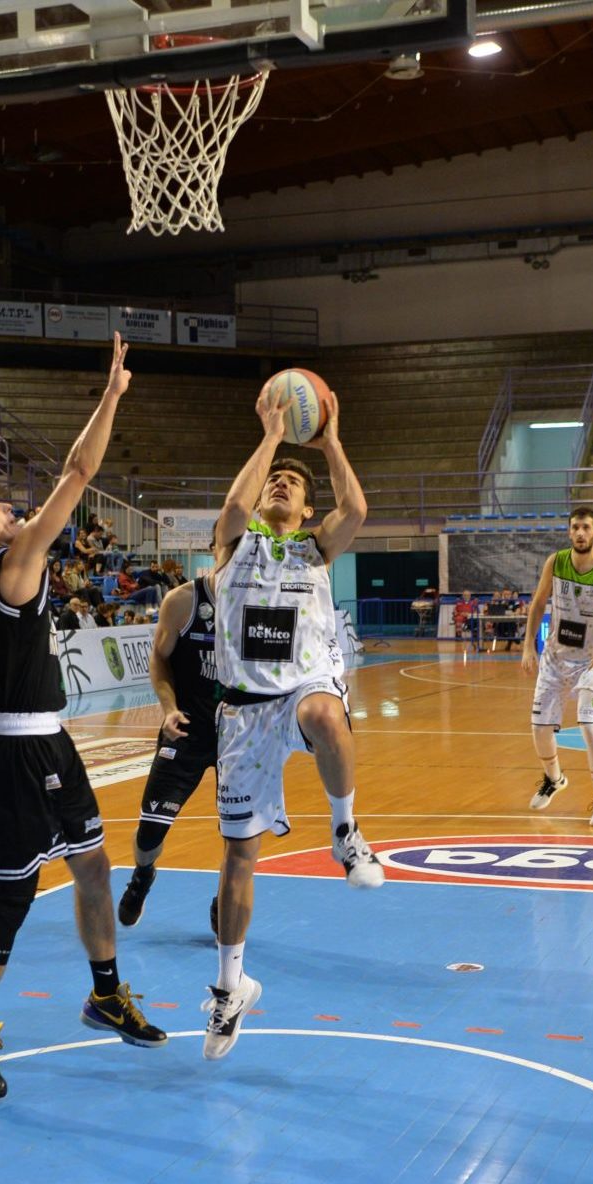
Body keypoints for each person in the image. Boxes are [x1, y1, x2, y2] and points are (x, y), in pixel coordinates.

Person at [0, 334, 162, 1100]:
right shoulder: (9, 569)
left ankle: (104, 992)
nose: (6, 506)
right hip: (20, 753)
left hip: (47, 741)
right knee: (16, 892)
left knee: (92, 866)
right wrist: (114, 394)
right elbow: (80, 472)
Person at [204, 381, 381, 1062]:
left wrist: (329, 438)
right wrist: (272, 436)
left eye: (290, 484)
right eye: (273, 480)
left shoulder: (317, 550)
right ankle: (229, 989)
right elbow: (233, 505)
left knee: (324, 714)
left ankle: (345, 832)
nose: (279, 485)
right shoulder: (233, 545)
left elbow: (357, 507)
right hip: (243, 710)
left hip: (301, 689)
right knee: (238, 858)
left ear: (308, 508)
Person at [519, 507, 593, 828]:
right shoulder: (555, 562)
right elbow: (539, 603)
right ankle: (554, 778)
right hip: (555, 658)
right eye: (575, 528)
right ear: (569, 532)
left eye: (586, 528)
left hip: (591, 662)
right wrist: (528, 644)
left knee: (589, 727)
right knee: (539, 729)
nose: (580, 533)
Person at [116, 572, 218, 928]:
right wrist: (169, 709)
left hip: (238, 733)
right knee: (149, 833)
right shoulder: (183, 601)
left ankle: (228, 895)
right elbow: (159, 659)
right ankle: (143, 874)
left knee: (240, 832)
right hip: (186, 728)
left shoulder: (261, 603)